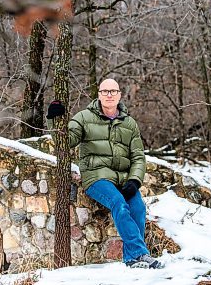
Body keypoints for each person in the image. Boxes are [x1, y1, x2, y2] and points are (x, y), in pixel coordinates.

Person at [46, 78, 164, 269]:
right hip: (96, 176)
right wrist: (54, 120)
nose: (109, 95)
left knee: (139, 208)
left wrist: (134, 180)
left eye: (113, 91)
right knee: (119, 203)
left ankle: (132, 259)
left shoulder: (130, 123)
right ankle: (140, 254)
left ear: (119, 95)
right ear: (99, 95)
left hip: (124, 179)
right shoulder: (84, 117)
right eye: (105, 91)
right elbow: (65, 142)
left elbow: (138, 156)